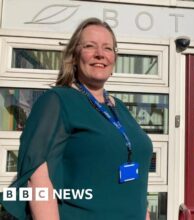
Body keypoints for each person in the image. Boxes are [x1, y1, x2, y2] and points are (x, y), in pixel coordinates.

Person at [0, 17, 153, 220]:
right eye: (90, 46)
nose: (100, 54)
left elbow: (138, 184)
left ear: (114, 58)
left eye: (108, 48)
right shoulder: (57, 101)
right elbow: (38, 182)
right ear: (74, 55)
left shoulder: (119, 107)